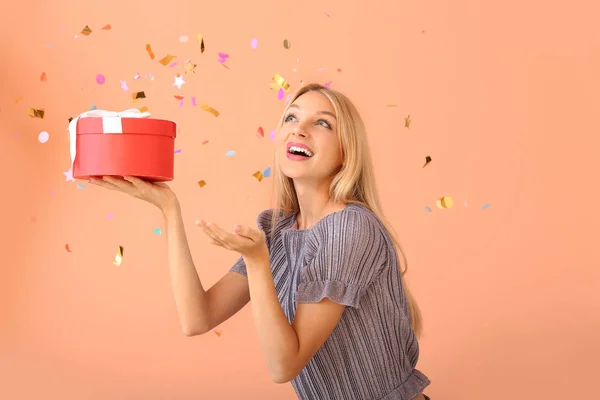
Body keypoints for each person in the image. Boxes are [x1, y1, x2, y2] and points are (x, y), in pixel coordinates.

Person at [89, 83, 431, 400]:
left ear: (346, 152)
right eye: (291, 117)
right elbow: (197, 318)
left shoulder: (351, 229)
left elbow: (283, 365)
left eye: (323, 123)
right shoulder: (277, 231)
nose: (299, 128)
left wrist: (257, 262)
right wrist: (168, 208)